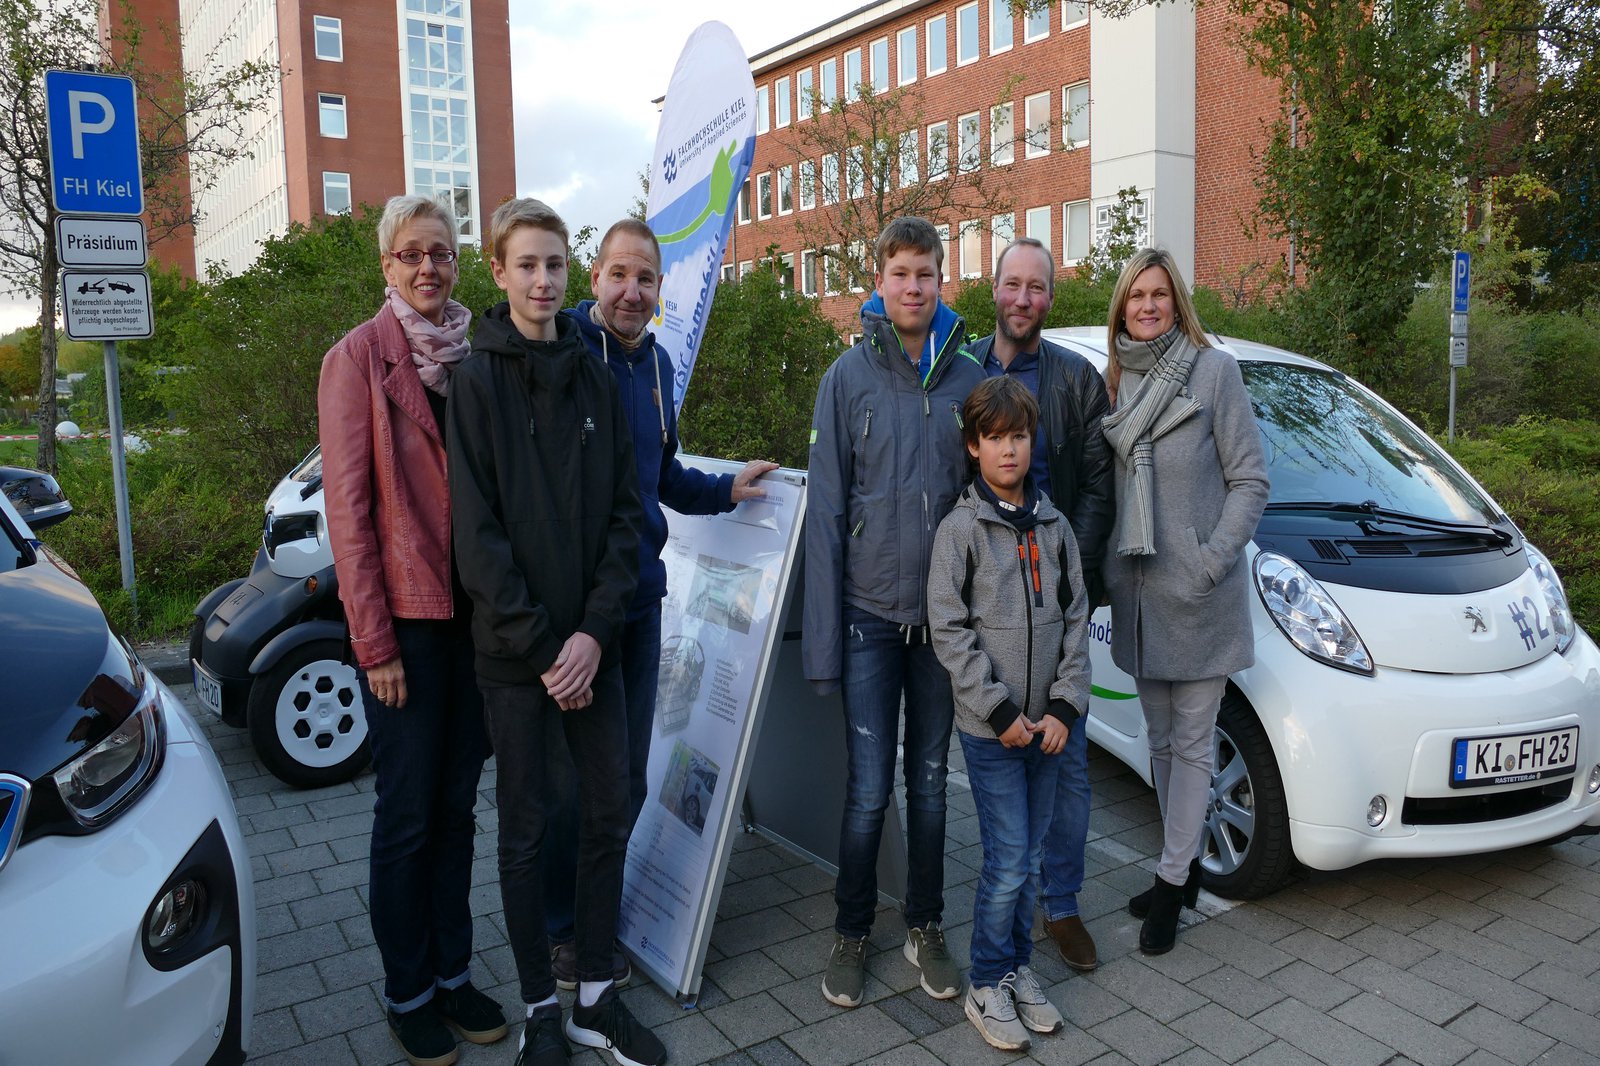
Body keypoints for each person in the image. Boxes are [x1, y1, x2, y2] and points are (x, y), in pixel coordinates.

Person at [446, 198, 666, 1066]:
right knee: (528, 830)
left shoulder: (594, 375)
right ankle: (543, 1005)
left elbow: (624, 518)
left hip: (591, 650)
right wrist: (546, 651)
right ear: (498, 274)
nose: (544, 281)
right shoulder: (476, 380)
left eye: (555, 265)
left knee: (609, 811)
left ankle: (596, 999)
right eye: (527, 265)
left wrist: (592, 637)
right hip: (518, 663)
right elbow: (479, 537)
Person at [542, 220, 777, 987]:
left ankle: (595, 924)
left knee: (629, 778)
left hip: (641, 604)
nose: (632, 291)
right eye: (619, 274)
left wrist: (725, 489)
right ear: (595, 276)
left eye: (646, 279)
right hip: (579, 614)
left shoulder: (657, 364)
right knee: (577, 786)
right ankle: (560, 931)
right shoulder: (565, 351)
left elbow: (660, 474)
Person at [318, 194, 507, 1066]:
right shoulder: (357, 359)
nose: (427, 267)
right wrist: (374, 645)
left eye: (440, 252)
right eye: (410, 255)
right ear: (385, 266)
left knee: (458, 810)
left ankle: (453, 974)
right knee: (406, 817)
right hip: (406, 623)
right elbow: (350, 517)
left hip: (477, 624)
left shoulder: (476, 361)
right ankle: (407, 992)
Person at [803, 216, 986, 1009]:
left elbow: (990, 503)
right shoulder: (846, 379)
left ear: (942, 280)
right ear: (878, 280)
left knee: (930, 785)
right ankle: (850, 931)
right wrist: (821, 647)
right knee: (870, 788)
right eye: (900, 273)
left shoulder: (969, 379)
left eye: (926, 273)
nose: (913, 287)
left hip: (943, 625)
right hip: (869, 617)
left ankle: (926, 924)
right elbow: (826, 514)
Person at [1100, 248, 1269, 955]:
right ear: (1122, 307)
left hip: (1197, 595)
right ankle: (1184, 866)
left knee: (1194, 744)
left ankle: (1173, 883)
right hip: (1139, 595)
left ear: (1178, 303)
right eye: (1136, 295)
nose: (1147, 306)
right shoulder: (1115, 381)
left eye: (1159, 295)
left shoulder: (1212, 372)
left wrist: (1210, 559)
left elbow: (1251, 480)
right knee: (1161, 742)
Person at [928, 375, 1092, 1052]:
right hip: (993, 731)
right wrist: (999, 713)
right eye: (994, 438)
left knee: (1031, 852)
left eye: (1019, 437)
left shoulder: (1055, 529)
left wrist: (1062, 707)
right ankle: (985, 982)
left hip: (1047, 732)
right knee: (1009, 859)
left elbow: (1078, 619)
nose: (1008, 450)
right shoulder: (961, 531)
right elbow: (948, 628)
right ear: (973, 446)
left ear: (1033, 442)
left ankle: (1019, 969)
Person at [966, 237, 1113, 972]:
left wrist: (1070, 579)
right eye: (1013, 285)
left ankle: (1062, 905)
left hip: (1057, 599)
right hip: (988, 599)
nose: (1024, 299)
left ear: (1051, 297)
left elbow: (1096, 484)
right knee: (999, 747)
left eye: (1038, 288)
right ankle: (1009, 901)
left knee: (1069, 763)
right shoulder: (963, 371)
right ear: (994, 289)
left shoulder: (1077, 379)